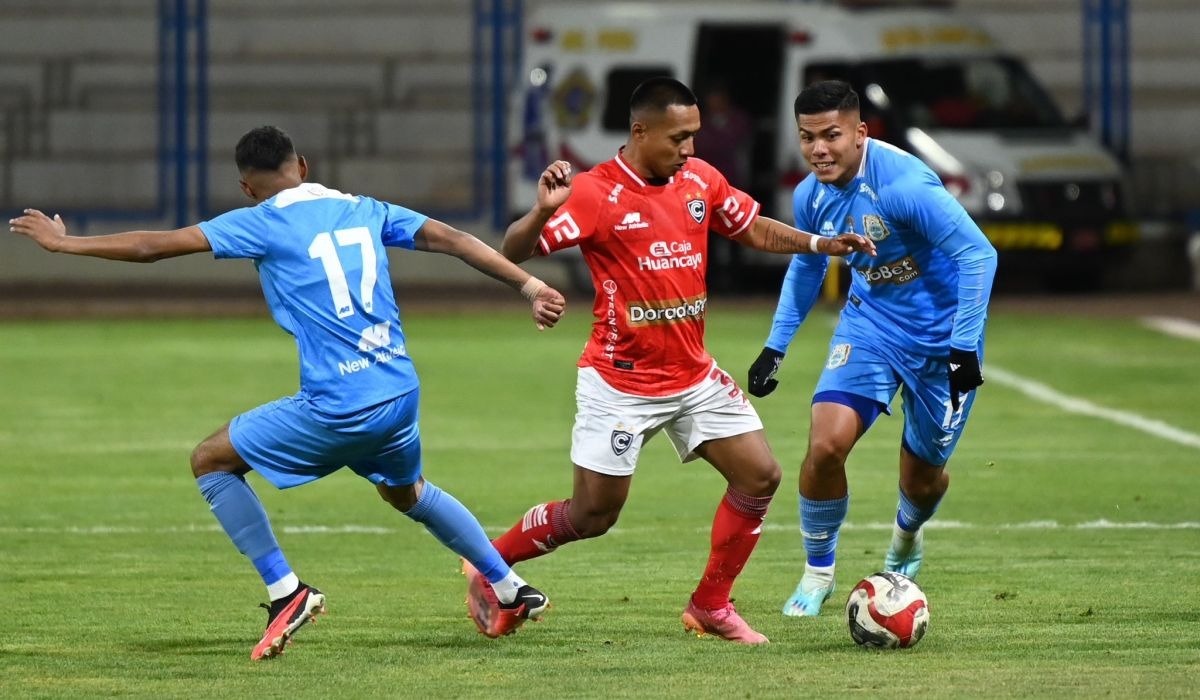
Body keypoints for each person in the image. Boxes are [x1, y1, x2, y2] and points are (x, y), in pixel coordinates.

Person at [8, 126, 567, 658]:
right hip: (398, 392)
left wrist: (64, 244)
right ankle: (510, 585)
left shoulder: (259, 221)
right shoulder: (365, 209)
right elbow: (457, 241)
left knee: (211, 461)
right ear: (302, 166)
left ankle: (286, 591)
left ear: (247, 188)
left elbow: (154, 246)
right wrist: (532, 284)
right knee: (409, 493)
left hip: (340, 405)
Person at [463, 77, 875, 645]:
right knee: (592, 516)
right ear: (640, 131)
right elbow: (507, 252)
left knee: (760, 475)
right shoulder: (594, 192)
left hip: (692, 375)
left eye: (694, 136)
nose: (690, 149)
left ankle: (710, 604)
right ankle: (489, 564)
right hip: (620, 383)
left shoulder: (699, 180)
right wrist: (540, 213)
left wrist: (818, 244)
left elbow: (750, 226)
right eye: (679, 137)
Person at [745, 80, 997, 617]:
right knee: (826, 444)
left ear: (860, 133)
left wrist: (963, 350)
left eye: (831, 135)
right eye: (807, 137)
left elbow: (980, 256)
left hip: (941, 344)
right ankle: (817, 573)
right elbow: (808, 264)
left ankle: (906, 540)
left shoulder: (905, 186)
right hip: (871, 326)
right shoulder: (811, 195)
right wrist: (776, 345)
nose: (819, 149)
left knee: (922, 477)